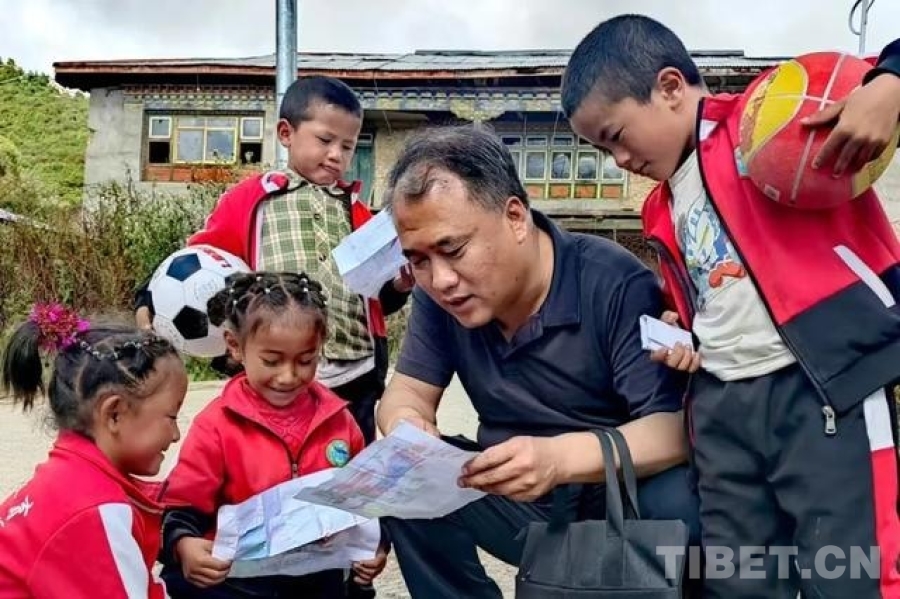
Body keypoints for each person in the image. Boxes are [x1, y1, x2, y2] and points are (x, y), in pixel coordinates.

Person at [561, 15, 900, 598]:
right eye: (602, 149)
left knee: (849, 574)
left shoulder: (766, 118)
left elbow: (863, 84)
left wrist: (889, 83)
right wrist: (686, 332)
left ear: (670, 88)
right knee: (739, 581)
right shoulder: (660, 210)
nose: (617, 159)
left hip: (821, 392)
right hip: (721, 412)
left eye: (616, 136)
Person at [375, 125, 701, 599]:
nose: (440, 279)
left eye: (454, 250)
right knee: (403, 475)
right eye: (419, 261)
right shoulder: (442, 296)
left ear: (515, 217)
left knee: (680, 498)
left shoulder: (612, 282)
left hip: (611, 501)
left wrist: (559, 458)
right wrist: (407, 424)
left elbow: (674, 429)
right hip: (515, 497)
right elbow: (405, 392)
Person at [186, 75, 413, 455]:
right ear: (286, 133)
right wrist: (147, 298)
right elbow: (201, 258)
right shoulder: (251, 199)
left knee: (350, 464)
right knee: (270, 459)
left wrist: (398, 287)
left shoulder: (358, 212)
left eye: (348, 146)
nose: (337, 155)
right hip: (277, 367)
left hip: (354, 370)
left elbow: (375, 297)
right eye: (325, 140)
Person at [158, 271, 388, 598]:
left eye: (306, 360)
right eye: (271, 361)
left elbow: (365, 502)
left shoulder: (340, 420)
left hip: (317, 578)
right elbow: (183, 505)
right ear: (235, 346)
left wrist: (376, 547)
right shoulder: (216, 426)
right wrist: (184, 545)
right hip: (239, 584)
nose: (288, 376)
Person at [0, 304, 187, 598]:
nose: (176, 435)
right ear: (114, 414)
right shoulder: (94, 510)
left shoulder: (68, 480)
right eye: (171, 416)